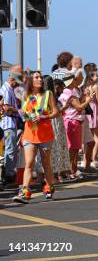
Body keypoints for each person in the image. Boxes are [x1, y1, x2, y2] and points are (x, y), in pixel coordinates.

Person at [12, 71, 59, 203]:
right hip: (29, 133)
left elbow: (56, 112)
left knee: (46, 163)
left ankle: (49, 187)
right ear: (31, 81)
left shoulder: (47, 94)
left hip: (45, 133)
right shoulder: (26, 95)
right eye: (36, 77)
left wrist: (45, 116)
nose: (40, 79)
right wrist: (24, 116)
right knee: (29, 163)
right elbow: (23, 113)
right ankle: (25, 191)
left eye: (40, 77)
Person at [58, 72, 92, 179]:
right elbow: (79, 107)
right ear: (71, 81)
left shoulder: (64, 93)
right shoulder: (70, 94)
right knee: (74, 148)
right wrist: (88, 100)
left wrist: (83, 96)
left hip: (67, 120)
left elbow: (75, 105)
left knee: (71, 148)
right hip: (73, 122)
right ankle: (72, 170)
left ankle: (69, 169)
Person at [0, 66, 24, 186]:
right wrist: (17, 110)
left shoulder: (9, 89)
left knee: (12, 149)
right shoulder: (5, 90)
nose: (17, 85)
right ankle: (9, 175)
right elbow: (6, 107)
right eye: (16, 82)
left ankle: (9, 173)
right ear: (13, 79)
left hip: (11, 122)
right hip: (7, 123)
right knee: (10, 149)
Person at [83, 63, 98, 169]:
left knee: (87, 137)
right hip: (94, 109)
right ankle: (93, 159)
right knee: (96, 137)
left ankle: (85, 159)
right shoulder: (95, 87)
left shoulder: (84, 85)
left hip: (87, 110)